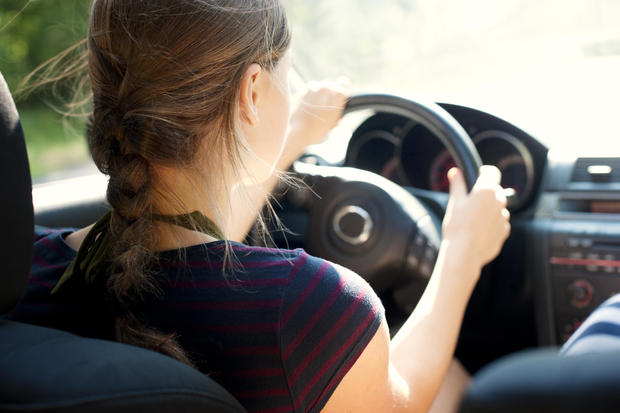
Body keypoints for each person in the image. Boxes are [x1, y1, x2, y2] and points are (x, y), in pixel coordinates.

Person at [6, 1, 510, 412]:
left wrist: (293, 136)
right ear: (250, 92)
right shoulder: (307, 308)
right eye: (283, 81)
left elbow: (185, 248)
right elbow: (401, 402)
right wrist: (461, 253)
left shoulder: (23, 281)